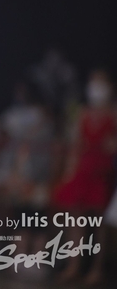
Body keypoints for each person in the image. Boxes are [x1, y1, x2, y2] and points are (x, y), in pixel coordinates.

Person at [51, 69, 116, 286]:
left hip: (104, 173)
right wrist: (69, 171)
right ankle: (74, 265)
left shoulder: (113, 114)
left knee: (99, 223)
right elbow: (75, 144)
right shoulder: (83, 114)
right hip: (83, 170)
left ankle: (97, 269)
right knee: (76, 219)